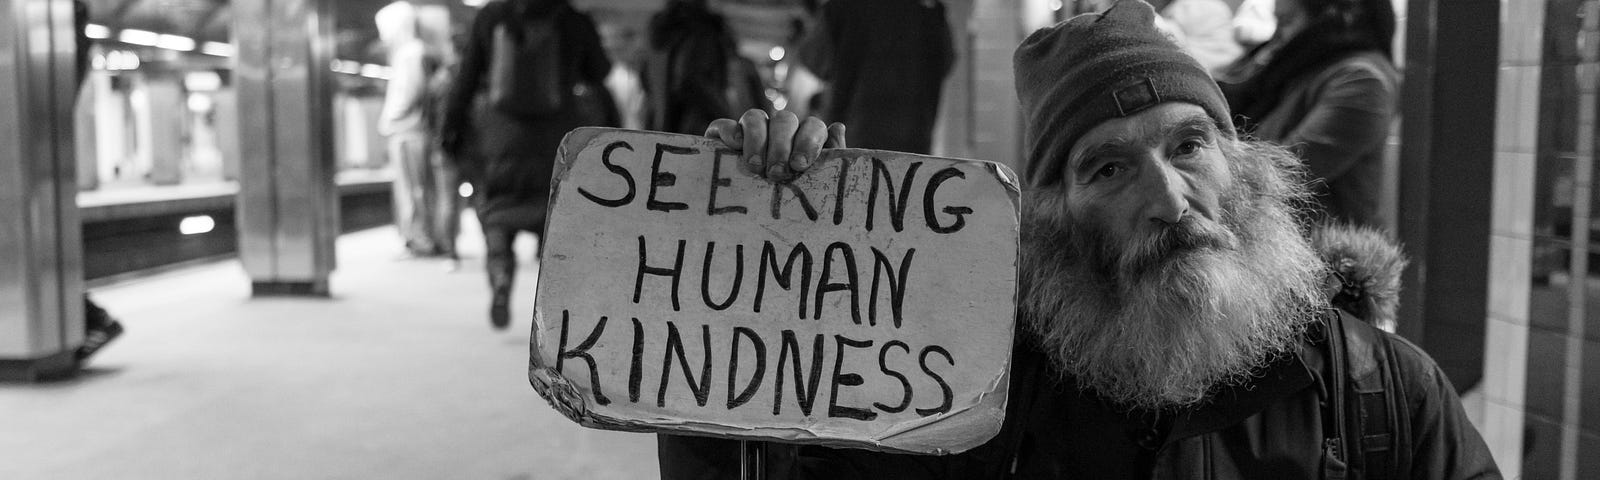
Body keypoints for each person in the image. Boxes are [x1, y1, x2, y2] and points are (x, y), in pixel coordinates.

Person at [659, 1, 1499, 478]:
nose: (1169, 200)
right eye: (1107, 170)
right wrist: (754, 297)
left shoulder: (1382, 399)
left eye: (1188, 146)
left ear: (1241, 165)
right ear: (1054, 218)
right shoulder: (967, 396)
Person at [439, 0, 616, 330]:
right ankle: (558, 308)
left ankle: (502, 273)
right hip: (556, 136)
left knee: (497, 212)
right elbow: (600, 72)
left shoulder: (492, 16)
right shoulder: (569, 18)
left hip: (501, 136)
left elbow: (465, 77)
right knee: (556, 216)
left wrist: (451, 130)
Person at [1217, 0, 1399, 229]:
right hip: (1277, 246)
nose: (1278, 38)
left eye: (1286, 23)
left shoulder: (1361, 80)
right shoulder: (1298, 66)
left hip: (1326, 257)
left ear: (1332, 13)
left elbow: (1279, 176)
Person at [796, 0, 954, 155]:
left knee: (855, 178)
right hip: (915, 138)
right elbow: (946, 63)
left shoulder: (840, 7)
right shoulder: (930, 11)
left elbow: (814, 58)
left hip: (853, 136)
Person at [377, 1, 453, 259]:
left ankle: (419, 240)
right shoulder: (421, 52)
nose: (382, 36)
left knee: (412, 189)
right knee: (422, 188)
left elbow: (409, 93)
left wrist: (387, 120)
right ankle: (427, 237)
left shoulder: (410, 53)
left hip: (407, 131)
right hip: (416, 131)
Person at [642, 0, 760, 136]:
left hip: (662, 128)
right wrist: (725, 113)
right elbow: (691, 80)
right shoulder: (703, 31)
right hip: (699, 129)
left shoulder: (661, 34)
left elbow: (646, 80)